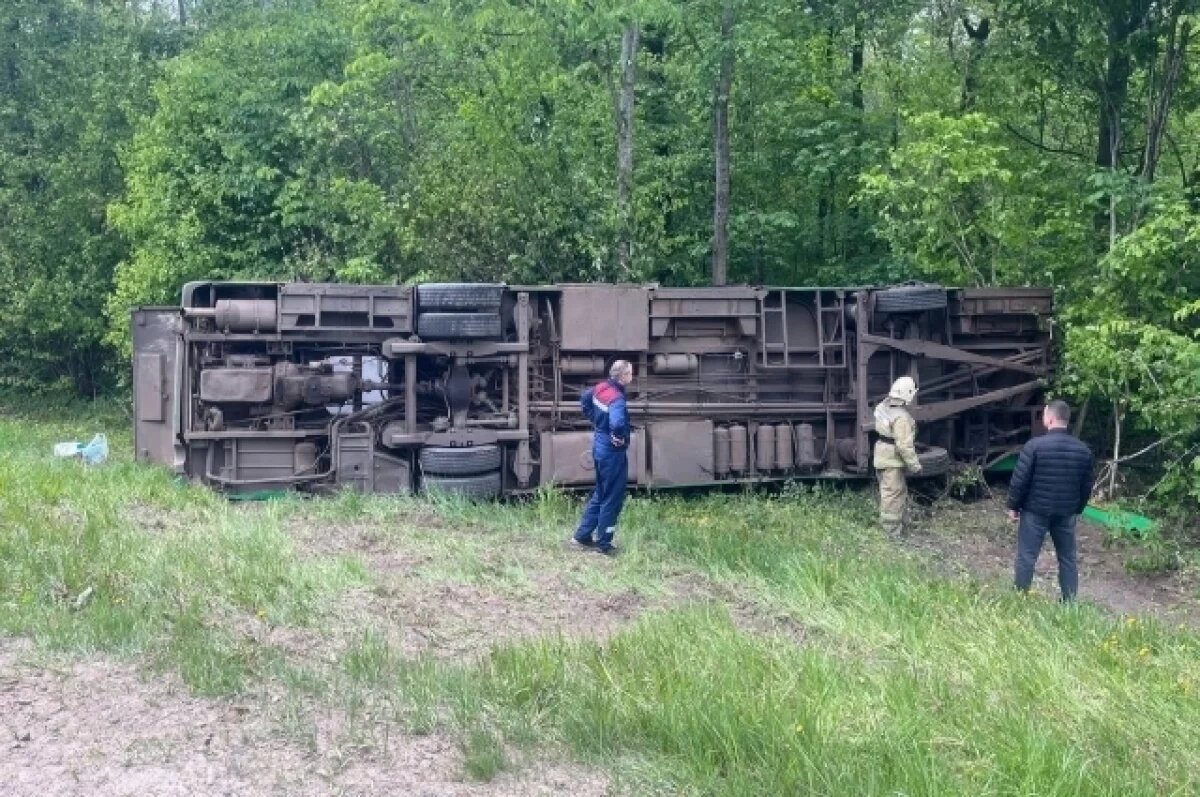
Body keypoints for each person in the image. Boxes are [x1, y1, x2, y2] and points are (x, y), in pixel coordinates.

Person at [1007, 400, 1095, 601]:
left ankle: (1020, 599)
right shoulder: (1083, 450)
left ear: (1050, 418)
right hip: (1066, 513)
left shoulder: (1034, 446)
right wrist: (1077, 509)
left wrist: (1013, 506)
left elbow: (1020, 480)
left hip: (1035, 511)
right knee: (1067, 559)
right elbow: (1086, 486)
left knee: (1027, 557)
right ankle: (1069, 602)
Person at [571, 360, 634, 555]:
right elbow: (617, 423)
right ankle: (603, 544)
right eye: (630, 373)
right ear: (623, 376)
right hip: (612, 453)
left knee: (601, 492)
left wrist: (595, 420)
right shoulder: (617, 399)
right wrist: (618, 437)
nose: (632, 376)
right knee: (612, 497)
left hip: (599, 445)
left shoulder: (600, 388)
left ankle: (582, 536)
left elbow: (584, 399)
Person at [873, 376, 922, 535]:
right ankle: (891, 532)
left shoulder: (882, 406)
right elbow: (904, 446)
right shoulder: (902, 418)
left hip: (881, 455)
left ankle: (890, 526)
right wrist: (915, 465)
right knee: (893, 495)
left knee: (887, 493)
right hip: (892, 459)